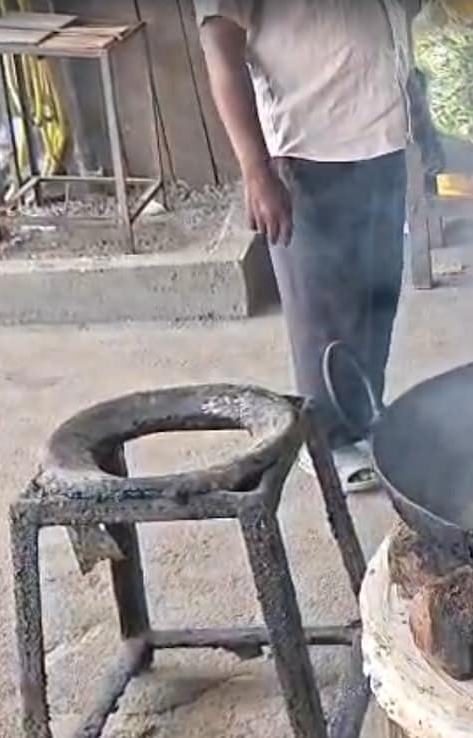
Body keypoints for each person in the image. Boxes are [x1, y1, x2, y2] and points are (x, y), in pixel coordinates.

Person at [196, 0, 416, 492]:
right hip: (305, 150)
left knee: (376, 298)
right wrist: (256, 170)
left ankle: (364, 418)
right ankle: (328, 441)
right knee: (322, 311)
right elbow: (220, 47)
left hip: (381, 140)